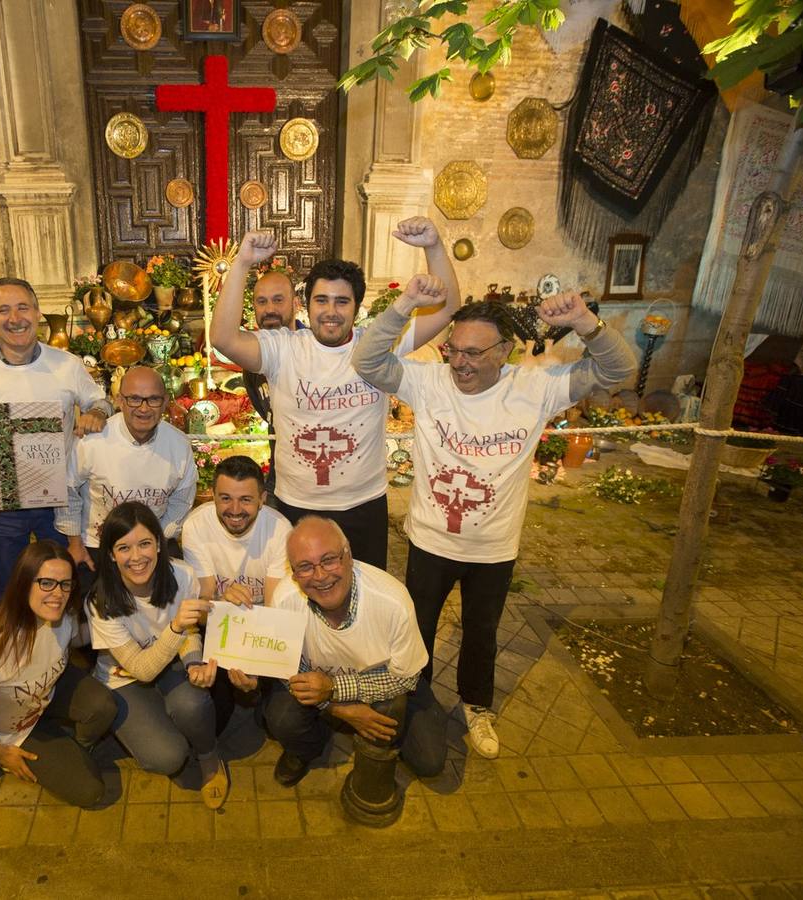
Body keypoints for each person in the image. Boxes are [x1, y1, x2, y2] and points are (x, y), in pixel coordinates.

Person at [353, 293, 636, 759]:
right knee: (418, 628)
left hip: (494, 549)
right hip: (430, 541)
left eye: (473, 353)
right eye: (454, 350)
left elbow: (617, 370)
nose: (459, 363)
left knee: (481, 631)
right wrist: (404, 306)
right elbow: (367, 361)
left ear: (504, 351)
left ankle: (476, 705)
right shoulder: (429, 382)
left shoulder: (535, 387)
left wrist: (584, 321)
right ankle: (416, 700)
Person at [210, 218, 461, 568]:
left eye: (342, 302)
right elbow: (223, 338)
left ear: (356, 307)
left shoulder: (377, 344)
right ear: (305, 304)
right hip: (297, 503)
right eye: (321, 300)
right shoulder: (283, 348)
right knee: (301, 598)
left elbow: (448, 309)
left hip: (363, 504)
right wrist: (241, 263)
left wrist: (433, 246)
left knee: (366, 595)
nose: (330, 312)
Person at [265, 517, 446, 813]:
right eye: (306, 566)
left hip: (387, 681)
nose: (320, 575)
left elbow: (407, 679)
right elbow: (290, 675)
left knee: (430, 761)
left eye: (329, 560)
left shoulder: (392, 600)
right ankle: (310, 746)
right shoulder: (285, 600)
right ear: (294, 573)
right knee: (280, 717)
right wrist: (340, 709)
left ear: (348, 556)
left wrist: (335, 688)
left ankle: (380, 741)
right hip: (321, 687)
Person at [0, 277, 113, 605]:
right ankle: (13, 652)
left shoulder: (66, 365)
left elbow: (103, 401)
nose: (15, 318)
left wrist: (97, 412)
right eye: (4, 310)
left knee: (63, 583)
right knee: (8, 588)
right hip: (1, 499)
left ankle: (61, 653)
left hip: (58, 498)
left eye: (23, 307)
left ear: (38, 313)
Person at [0, 541, 116, 809]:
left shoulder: (63, 616)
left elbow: (76, 640)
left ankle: (70, 749)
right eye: (46, 583)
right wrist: (2, 754)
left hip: (43, 697)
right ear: (24, 583)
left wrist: (119, 623)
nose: (57, 594)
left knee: (103, 704)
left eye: (65, 584)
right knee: (91, 792)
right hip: (9, 731)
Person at [86, 502, 229, 808]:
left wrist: (194, 664)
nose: (137, 557)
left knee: (194, 702)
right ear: (110, 554)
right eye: (124, 547)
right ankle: (142, 727)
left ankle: (209, 756)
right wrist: (176, 627)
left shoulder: (182, 575)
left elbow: (191, 633)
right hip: (124, 678)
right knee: (167, 757)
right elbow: (142, 669)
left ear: (160, 545)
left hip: (172, 666)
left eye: (145, 544)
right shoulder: (101, 601)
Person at [181, 454, 291, 730]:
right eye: (226, 498)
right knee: (216, 720)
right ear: (213, 496)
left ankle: (259, 694)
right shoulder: (195, 525)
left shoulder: (280, 529)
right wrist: (221, 604)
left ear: (262, 499)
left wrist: (253, 665)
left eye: (246, 499)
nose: (235, 509)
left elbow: (274, 610)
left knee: (276, 721)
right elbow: (203, 609)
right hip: (219, 624)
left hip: (265, 626)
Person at [58, 366, 195, 571]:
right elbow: (67, 489)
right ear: (120, 401)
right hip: (99, 546)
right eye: (134, 399)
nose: (143, 408)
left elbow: (181, 501)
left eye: (153, 399)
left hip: (152, 545)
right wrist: (75, 543)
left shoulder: (179, 445)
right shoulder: (93, 440)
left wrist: (159, 539)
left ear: (165, 402)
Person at [240, 266, 299, 500]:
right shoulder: (253, 360)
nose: (269, 310)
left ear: (295, 303)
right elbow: (267, 413)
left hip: (317, 480)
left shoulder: (314, 349)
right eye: (261, 302)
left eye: (278, 300)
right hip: (279, 476)